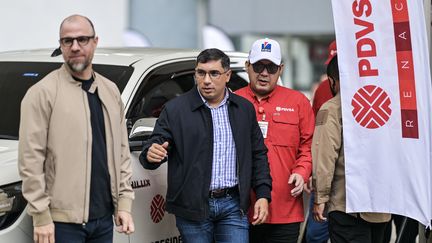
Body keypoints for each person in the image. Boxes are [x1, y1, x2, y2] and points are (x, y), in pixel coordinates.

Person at [18, 15, 135, 243]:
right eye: (67, 41)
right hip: (61, 223)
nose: (75, 47)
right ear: (60, 45)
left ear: (95, 41)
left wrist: (124, 204)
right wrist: (41, 216)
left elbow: (121, 153)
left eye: (82, 39)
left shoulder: (110, 91)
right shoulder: (42, 93)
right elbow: (30, 160)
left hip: (103, 220)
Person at [139, 48, 272, 243]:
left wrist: (262, 194)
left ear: (227, 76)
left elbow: (258, 153)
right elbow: (156, 142)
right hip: (192, 207)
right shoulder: (176, 110)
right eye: (201, 73)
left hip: (233, 205)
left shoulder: (243, 109)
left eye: (214, 73)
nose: (206, 80)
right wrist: (150, 154)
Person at [236, 38, 314, 243]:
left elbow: (309, 145)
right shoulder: (232, 101)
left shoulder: (298, 102)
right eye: (258, 66)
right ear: (247, 66)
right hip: (239, 211)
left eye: (270, 67)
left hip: (285, 209)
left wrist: (302, 171)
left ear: (281, 69)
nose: (264, 73)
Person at [312, 55, 390, 243]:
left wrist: (320, 197)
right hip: (383, 207)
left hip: (347, 206)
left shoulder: (332, 108)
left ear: (332, 80)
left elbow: (325, 155)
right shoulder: (386, 105)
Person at [304, 40, 337, 243]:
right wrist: (311, 172)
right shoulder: (323, 89)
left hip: (350, 180)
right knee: (315, 234)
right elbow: (314, 135)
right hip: (325, 174)